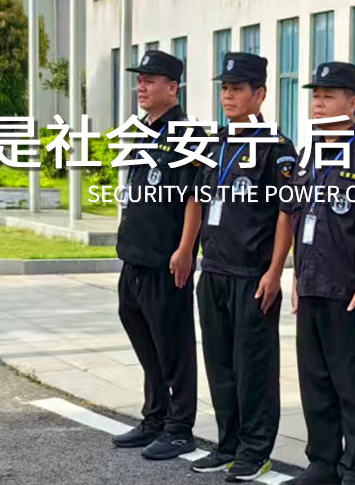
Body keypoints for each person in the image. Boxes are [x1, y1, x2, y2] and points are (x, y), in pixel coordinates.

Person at [181, 51, 297, 482]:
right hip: (213, 270)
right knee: (220, 365)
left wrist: (275, 271)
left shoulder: (277, 149)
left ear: (260, 94)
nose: (228, 96)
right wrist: (186, 250)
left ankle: (256, 450)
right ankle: (227, 444)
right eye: (224, 89)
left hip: (252, 276)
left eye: (237, 89)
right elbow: (196, 199)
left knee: (254, 369)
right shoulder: (214, 144)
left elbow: (286, 213)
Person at [281, 61, 355, 485]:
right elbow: (294, 215)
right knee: (315, 380)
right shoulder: (308, 155)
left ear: (352, 102)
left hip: (350, 289)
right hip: (312, 285)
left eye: (329, 96)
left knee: (353, 385)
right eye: (316, 96)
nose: (318, 104)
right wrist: (295, 277)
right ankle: (322, 462)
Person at [110, 50, 203, 461]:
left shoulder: (188, 134)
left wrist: (185, 250)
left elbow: (195, 196)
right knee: (144, 338)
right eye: (140, 80)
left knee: (173, 345)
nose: (142, 87)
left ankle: (180, 428)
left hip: (167, 261)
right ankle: (155, 417)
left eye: (150, 80)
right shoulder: (146, 131)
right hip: (135, 257)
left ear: (173, 87)